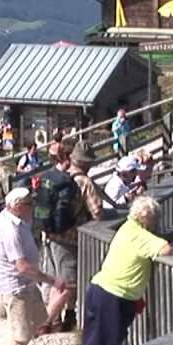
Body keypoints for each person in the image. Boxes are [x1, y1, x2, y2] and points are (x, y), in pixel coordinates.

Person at [81, 197, 173, 345]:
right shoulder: (141, 235)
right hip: (114, 296)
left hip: (100, 289)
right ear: (148, 218)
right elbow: (165, 249)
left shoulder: (126, 227)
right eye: (155, 219)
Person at [0, 187, 68, 345]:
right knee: (20, 334)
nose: (32, 208)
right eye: (29, 205)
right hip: (16, 286)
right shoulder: (10, 229)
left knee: (31, 325)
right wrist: (51, 280)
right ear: (17, 206)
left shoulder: (14, 220)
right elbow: (22, 266)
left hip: (25, 284)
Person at [38, 140, 103, 333]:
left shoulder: (58, 175)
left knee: (52, 281)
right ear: (88, 163)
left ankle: (54, 320)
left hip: (49, 234)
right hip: (69, 238)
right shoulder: (84, 182)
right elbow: (97, 212)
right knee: (68, 283)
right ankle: (46, 323)